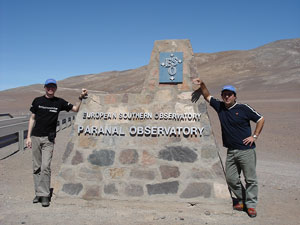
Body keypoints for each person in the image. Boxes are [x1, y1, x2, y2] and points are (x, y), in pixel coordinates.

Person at [192, 78, 265, 218]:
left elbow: (261, 119)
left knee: (250, 179)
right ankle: (243, 198)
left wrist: (254, 136)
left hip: (246, 151)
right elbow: (207, 96)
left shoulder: (244, 108)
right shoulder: (220, 107)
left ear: (234, 96)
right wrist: (202, 85)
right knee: (231, 179)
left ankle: (251, 205)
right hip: (231, 151)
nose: (227, 96)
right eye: (224, 94)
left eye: (229, 94)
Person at [26, 78, 88, 207]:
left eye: (53, 87)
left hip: (49, 139)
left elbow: (75, 109)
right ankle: (38, 193)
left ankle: (44, 195)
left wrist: (81, 97)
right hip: (36, 137)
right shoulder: (37, 101)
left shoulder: (59, 102)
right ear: (45, 87)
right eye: (48, 86)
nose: (50, 89)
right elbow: (32, 119)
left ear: (56, 88)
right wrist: (28, 137)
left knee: (45, 166)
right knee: (36, 167)